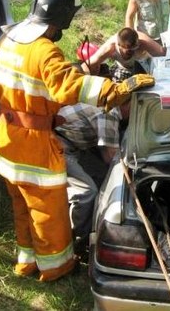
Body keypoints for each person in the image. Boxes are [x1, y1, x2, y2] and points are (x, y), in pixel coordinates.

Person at [0, 0, 154, 282]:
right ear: (63, 20)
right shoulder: (45, 51)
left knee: (21, 207)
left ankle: (26, 262)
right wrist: (119, 89)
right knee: (49, 213)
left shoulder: (8, 42)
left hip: (4, 140)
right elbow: (72, 87)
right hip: (32, 148)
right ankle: (56, 268)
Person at [55, 101, 128, 254]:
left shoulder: (109, 107)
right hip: (57, 146)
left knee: (101, 177)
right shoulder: (109, 113)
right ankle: (77, 241)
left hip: (72, 145)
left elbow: (106, 154)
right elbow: (110, 157)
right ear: (129, 103)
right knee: (86, 191)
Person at [82, 27, 166, 82]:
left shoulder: (143, 42)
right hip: (123, 69)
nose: (132, 52)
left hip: (145, 66)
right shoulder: (110, 48)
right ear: (119, 46)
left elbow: (164, 54)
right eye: (129, 51)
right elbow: (87, 64)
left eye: (135, 48)